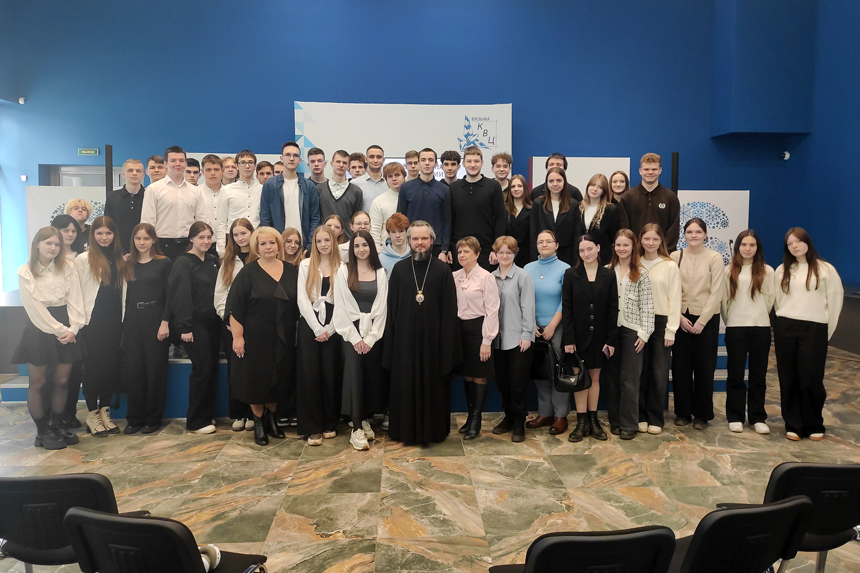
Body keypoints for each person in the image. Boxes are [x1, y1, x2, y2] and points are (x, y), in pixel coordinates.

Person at [383, 221, 461, 445]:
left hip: (433, 345)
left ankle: (434, 432)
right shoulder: (399, 270)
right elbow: (392, 309)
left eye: (424, 238)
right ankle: (404, 431)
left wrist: (447, 349)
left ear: (432, 241)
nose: (419, 243)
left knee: (433, 388)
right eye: (415, 239)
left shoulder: (443, 271)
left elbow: (450, 312)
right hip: (404, 343)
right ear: (409, 241)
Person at [13, 227, 85, 450]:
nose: (53, 248)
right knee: (39, 382)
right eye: (48, 243)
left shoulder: (68, 266)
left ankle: (57, 425)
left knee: (62, 380)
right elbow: (35, 309)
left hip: (67, 327)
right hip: (40, 328)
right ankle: (42, 431)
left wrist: (74, 328)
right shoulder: (25, 272)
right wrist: (60, 330)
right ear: (37, 244)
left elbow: (76, 299)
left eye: (56, 244)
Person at [227, 227, 299, 446]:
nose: (268, 247)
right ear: (256, 248)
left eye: (272, 243)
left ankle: (272, 419)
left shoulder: (291, 270)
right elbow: (235, 307)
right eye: (263, 244)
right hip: (255, 337)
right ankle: (258, 422)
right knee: (256, 380)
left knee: (279, 378)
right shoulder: (248, 272)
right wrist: (238, 337)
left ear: (279, 245)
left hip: (284, 337)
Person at [774, 228, 843, 441]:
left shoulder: (826, 269)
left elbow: (835, 301)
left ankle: (814, 424)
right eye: (790, 243)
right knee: (788, 378)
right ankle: (793, 424)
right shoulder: (783, 270)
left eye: (798, 241)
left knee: (811, 378)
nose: (794, 246)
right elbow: (777, 300)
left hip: (814, 329)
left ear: (807, 242)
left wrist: (826, 331)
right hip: (786, 327)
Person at [333, 230, 388, 451]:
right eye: (356, 246)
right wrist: (355, 339)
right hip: (351, 334)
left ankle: (365, 419)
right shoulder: (343, 271)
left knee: (371, 376)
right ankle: (356, 429)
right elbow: (341, 307)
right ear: (351, 249)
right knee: (354, 377)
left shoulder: (380, 273)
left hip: (374, 334)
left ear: (371, 247)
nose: (361, 249)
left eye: (365, 245)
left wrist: (371, 337)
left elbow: (383, 308)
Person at [670, 218, 725, 430]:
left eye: (698, 232)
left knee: (704, 368)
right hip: (681, 318)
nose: (694, 235)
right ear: (684, 235)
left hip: (706, 320)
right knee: (681, 367)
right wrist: (678, 317)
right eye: (690, 232)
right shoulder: (675, 257)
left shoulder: (714, 258)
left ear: (705, 234)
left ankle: (702, 414)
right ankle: (683, 412)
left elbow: (716, 292)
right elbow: (670, 291)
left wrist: (702, 321)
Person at [562, 235, 618, 442]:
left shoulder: (608, 275)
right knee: (579, 378)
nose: (586, 254)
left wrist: (610, 339)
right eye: (582, 250)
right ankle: (581, 421)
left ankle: (593, 420)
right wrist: (569, 339)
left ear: (598, 248)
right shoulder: (571, 274)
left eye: (590, 249)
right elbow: (567, 308)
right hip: (577, 337)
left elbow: (613, 309)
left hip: (600, 337)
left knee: (594, 378)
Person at [167, 221, 221, 434]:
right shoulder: (182, 263)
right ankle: (196, 420)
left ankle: (207, 414)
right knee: (202, 368)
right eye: (201, 237)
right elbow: (180, 297)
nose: (206, 241)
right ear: (191, 239)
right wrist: (185, 327)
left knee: (211, 368)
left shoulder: (212, 260)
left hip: (213, 323)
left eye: (209, 237)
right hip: (193, 324)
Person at [76, 216, 125, 437]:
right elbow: (76, 293)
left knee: (110, 368)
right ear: (92, 235)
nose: (104, 237)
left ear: (114, 235)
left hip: (114, 322)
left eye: (108, 233)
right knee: (93, 370)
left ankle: (105, 410)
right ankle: (92, 414)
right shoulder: (83, 259)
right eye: (99, 233)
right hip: (92, 323)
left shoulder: (120, 259)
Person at [722, 230, 775, 435]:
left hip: (760, 328)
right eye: (744, 244)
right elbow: (724, 303)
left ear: (757, 248)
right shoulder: (728, 271)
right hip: (736, 328)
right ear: (738, 247)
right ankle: (735, 416)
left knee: (758, 376)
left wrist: (758, 317)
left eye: (752, 245)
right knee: (735, 374)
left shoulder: (767, 271)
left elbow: (770, 300)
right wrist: (732, 321)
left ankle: (757, 417)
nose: (747, 248)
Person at [121, 223, 172, 434]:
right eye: (138, 238)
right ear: (133, 240)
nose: (142, 242)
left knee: (155, 370)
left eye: (146, 238)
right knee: (134, 370)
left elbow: (170, 295)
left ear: (153, 240)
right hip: (133, 318)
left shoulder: (164, 263)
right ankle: (134, 418)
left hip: (156, 317)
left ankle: (153, 418)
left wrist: (165, 322)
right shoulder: (128, 263)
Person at [605, 230, 654, 440]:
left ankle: (628, 424)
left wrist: (644, 334)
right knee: (612, 378)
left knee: (630, 380)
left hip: (633, 332)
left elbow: (648, 306)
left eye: (626, 245)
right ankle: (615, 421)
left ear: (634, 247)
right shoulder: (607, 271)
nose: (622, 249)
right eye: (618, 245)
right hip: (611, 332)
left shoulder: (641, 273)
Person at [296, 225, 343, 446]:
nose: (323, 244)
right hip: (310, 324)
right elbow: (302, 299)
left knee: (331, 373)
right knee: (310, 374)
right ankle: (312, 427)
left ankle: (329, 422)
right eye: (319, 241)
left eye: (327, 240)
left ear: (333, 242)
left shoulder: (342, 266)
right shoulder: (305, 265)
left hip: (335, 324)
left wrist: (330, 328)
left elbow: (344, 301)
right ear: (314, 244)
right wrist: (317, 328)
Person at [523, 230, 571, 435]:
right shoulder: (528, 268)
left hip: (557, 328)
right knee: (540, 372)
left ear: (556, 245)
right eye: (540, 241)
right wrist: (531, 324)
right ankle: (544, 413)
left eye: (548, 241)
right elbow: (524, 298)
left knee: (557, 373)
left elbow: (566, 300)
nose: (544, 244)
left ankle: (560, 415)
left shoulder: (565, 269)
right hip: (534, 328)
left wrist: (552, 326)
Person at [453, 236, 500, 440]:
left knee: (479, 374)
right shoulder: (454, 276)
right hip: (460, 330)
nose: (462, 255)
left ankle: (476, 420)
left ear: (477, 254)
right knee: (467, 374)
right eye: (459, 252)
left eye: (466, 251)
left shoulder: (485, 277)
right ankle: (469, 416)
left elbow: (492, 310)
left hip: (479, 329)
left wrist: (487, 340)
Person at [491, 236, 535, 442]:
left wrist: (527, 334)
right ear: (495, 254)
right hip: (497, 340)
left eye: (509, 252)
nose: (504, 256)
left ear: (515, 254)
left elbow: (528, 307)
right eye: (501, 252)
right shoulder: (490, 277)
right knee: (502, 382)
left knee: (518, 383)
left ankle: (519, 421)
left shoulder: (522, 276)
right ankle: (508, 416)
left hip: (518, 339)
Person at [637, 224, 681, 434]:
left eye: (655, 239)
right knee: (640, 371)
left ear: (661, 241)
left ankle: (655, 417)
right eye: (647, 238)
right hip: (638, 322)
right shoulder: (634, 262)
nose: (650, 243)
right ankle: (640, 415)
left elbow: (675, 298)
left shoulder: (670, 265)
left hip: (661, 322)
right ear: (640, 240)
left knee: (659, 372)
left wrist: (671, 329)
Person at [214, 218, 255, 432]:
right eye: (236, 235)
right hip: (232, 326)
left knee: (253, 370)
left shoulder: (260, 258)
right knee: (236, 371)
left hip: (256, 324)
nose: (240, 238)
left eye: (243, 233)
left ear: (252, 233)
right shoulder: (228, 261)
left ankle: (253, 414)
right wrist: (228, 319)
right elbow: (220, 295)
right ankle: (239, 414)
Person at [140, 146, 208, 261]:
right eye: (173, 160)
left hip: (189, 245)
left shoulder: (195, 191)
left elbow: (201, 221)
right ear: (166, 164)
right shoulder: (154, 189)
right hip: (162, 245)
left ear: (185, 163)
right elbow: (147, 222)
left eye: (181, 160)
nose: (178, 164)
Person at [50, 215, 85, 428]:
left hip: (77, 320)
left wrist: (77, 324)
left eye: (73, 231)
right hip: (53, 320)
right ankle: (52, 417)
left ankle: (69, 413)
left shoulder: (82, 257)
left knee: (73, 371)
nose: (70, 234)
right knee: (53, 373)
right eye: (65, 230)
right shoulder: (47, 257)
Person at [448, 146, 507, 271]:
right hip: (459, 250)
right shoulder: (453, 188)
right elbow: (449, 220)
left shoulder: (493, 186)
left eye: (476, 161)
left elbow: (500, 219)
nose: (473, 165)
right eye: (469, 161)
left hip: (486, 251)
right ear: (463, 163)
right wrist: (447, 249)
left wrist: (496, 249)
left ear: (482, 163)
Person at [260, 141, 320, 253]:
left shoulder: (309, 186)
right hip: (278, 247)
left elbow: (315, 218)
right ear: (281, 158)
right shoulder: (270, 185)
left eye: (295, 155)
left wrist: (310, 246)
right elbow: (265, 219)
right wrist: (272, 244)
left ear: (300, 160)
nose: (291, 158)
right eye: (288, 155)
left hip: (303, 246)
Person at [618, 153, 681, 251]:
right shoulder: (628, 197)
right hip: (636, 254)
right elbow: (625, 229)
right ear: (640, 171)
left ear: (660, 170)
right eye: (646, 169)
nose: (650, 172)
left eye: (654, 169)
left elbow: (673, 229)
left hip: (663, 254)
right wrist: (634, 251)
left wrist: (663, 251)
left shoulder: (671, 197)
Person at [397, 148, 451, 259]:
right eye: (423, 160)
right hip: (411, 245)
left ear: (436, 164)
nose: (427, 163)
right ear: (418, 163)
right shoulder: (406, 188)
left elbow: (447, 221)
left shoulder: (444, 189)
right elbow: (400, 219)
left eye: (430, 160)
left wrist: (444, 249)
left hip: (436, 246)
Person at [530, 167, 581, 266]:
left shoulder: (573, 204)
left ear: (564, 182)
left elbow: (576, 234)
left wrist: (576, 261)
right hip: (543, 253)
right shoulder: (538, 203)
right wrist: (533, 258)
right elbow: (533, 233)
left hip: (566, 254)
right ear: (546, 183)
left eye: (559, 180)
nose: (555, 184)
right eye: (551, 181)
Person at [317, 150, 364, 241]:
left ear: (348, 166)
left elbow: (356, 220)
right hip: (324, 241)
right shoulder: (319, 189)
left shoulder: (356, 191)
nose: (341, 165)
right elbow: (315, 218)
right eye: (338, 162)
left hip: (347, 241)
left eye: (344, 163)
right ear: (331, 163)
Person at [220, 151, 262, 245]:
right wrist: (221, 246)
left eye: (250, 162)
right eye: (243, 162)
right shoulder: (226, 190)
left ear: (255, 166)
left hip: (256, 240)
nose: (247, 166)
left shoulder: (262, 190)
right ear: (237, 166)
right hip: (233, 240)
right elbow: (221, 221)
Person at [105, 159, 146, 254]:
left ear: (143, 175)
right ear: (123, 174)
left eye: (138, 171)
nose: (134, 173)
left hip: (144, 249)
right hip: (118, 250)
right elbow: (108, 225)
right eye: (130, 170)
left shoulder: (149, 196)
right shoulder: (112, 197)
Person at [577, 174, 620, 264]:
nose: (595, 189)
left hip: (603, 258)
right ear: (588, 187)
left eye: (600, 187)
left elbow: (615, 237)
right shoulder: (578, 207)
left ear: (604, 191)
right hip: (581, 257)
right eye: (593, 185)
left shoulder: (610, 210)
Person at [369, 162, 406, 248]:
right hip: (386, 249)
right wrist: (378, 252)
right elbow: (375, 231)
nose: (394, 179)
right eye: (390, 176)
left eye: (397, 175)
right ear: (386, 179)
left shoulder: (412, 198)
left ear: (404, 176)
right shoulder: (378, 202)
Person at [198, 155, 227, 256]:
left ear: (222, 171)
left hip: (227, 245)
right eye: (208, 170)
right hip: (202, 246)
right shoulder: (195, 193)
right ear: (202, 172)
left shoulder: (229, 193)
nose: (213, 173)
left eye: (216, 169)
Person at [505, 175, 532, 268]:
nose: (516, 189)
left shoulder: (532, 209)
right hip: (508, 253)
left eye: (519, 186)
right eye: (513, 186)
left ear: (525, 188)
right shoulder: (504, 209)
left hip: (527, 254)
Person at [354, 145, 388, 212]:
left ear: (383, 160)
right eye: (371, 157)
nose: (375, 160)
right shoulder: (355, 184)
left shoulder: (390, 183)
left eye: (379, 157)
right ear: (366, 159)